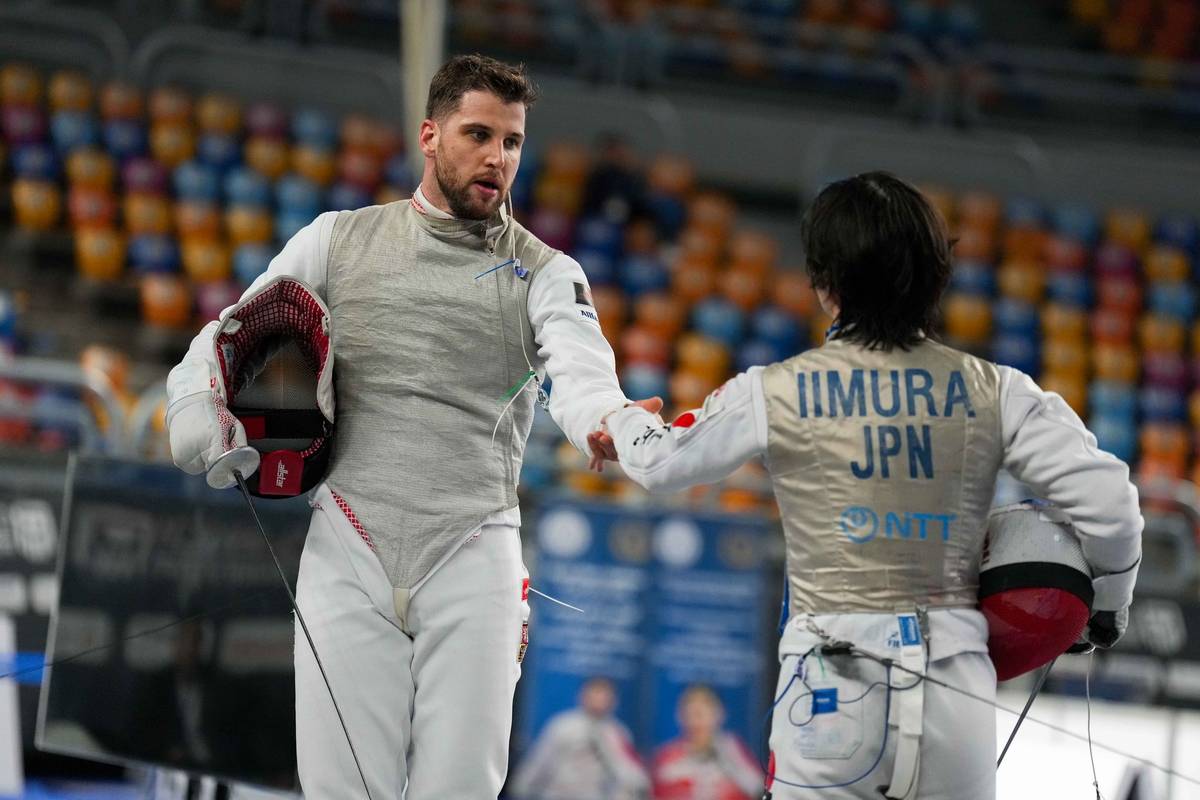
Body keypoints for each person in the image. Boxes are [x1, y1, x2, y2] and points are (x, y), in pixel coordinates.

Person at [166, 54, 661, 799]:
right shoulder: (338, 240)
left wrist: (608, 420)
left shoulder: (546, 273)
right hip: (348, 544)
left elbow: (583, 373)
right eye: (478, 134)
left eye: (513, 142)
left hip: (473, 552)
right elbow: (232, 333)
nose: (498, 157)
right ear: (430, 136)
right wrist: (194, 406)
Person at [597, 172, 1143, 799]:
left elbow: (660, 464)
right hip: (955, 699)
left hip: (832, 688)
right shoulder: (1000, 391)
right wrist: (1107, 606)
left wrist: (621, 420)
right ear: (938, 275)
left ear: (824, 285)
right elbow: (1112, 505)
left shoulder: (775, 390)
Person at [509, 676, 651, 800]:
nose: (599, 700)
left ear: (613, 700)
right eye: (594, 694)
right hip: (557, 795)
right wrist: (520, 789)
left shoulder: (618, 733)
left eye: (604, 695)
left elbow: (633, 776)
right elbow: (539, 762)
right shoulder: (563, 725)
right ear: (583, 696)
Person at [651, 685, 762, 800]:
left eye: (705, 707)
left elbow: (758, 789)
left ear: (721, 713)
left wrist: (725, 757)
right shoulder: (667, 756)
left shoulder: (733, 750)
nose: (696, 717)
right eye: (690, 709)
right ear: (679, 715)